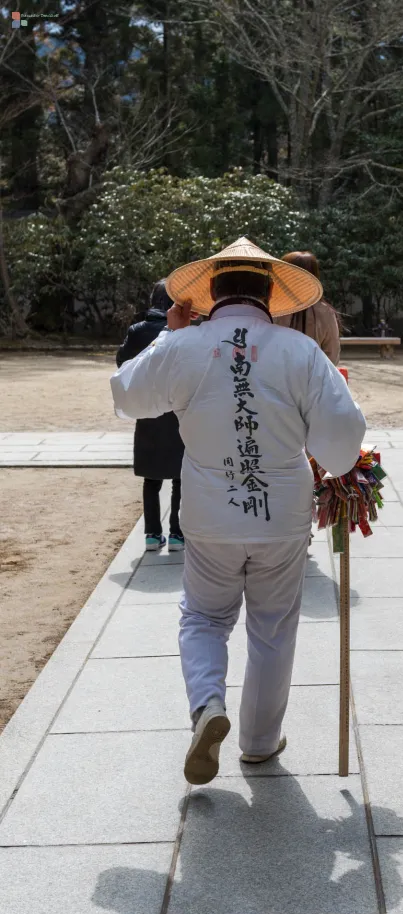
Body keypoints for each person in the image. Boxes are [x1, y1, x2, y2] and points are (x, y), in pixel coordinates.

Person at [111, 236, 366, 784]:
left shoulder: (184, 344)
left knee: (204, 616)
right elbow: (344, 440)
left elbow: (127, 395)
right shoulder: (300, 352)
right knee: (273, 628)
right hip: (283, 514)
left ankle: (207, 705)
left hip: (208, 513)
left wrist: (170, 336)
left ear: (210, 294)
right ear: (271, 294)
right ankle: (257, 742)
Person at [116, 280, 185, 551]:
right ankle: (178, 534)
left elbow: (122, 361)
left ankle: (152, 535)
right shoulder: (186, 331)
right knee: (181, 476)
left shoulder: (138, 331)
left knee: (151, 478)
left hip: (148, 410)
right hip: (178, 409)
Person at [273, 251, 341, 364]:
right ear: (314, 276)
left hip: (277, 378)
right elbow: (332, 355)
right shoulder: (325, 312)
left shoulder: (273, 309)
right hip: (314, 377)